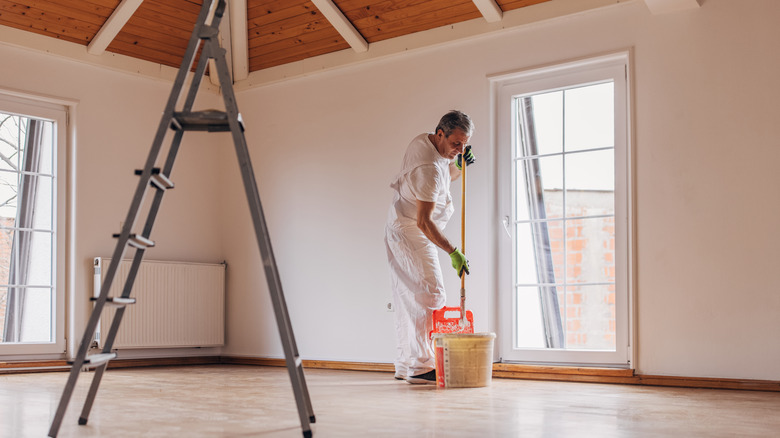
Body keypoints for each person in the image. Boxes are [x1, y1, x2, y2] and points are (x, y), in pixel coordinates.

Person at [384, 110, 476, 384]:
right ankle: (422, 367)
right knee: (431, 294)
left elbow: (446, 176)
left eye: (465, 144)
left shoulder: (425, 143)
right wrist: (453, 251)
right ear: (440, 134)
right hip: (411, 230)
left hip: (402, 223)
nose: (460, 149)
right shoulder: (426, 170)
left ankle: (407, 365)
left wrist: (459, 166)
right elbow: (425, 222)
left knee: (408, 297)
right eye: (456, 144)